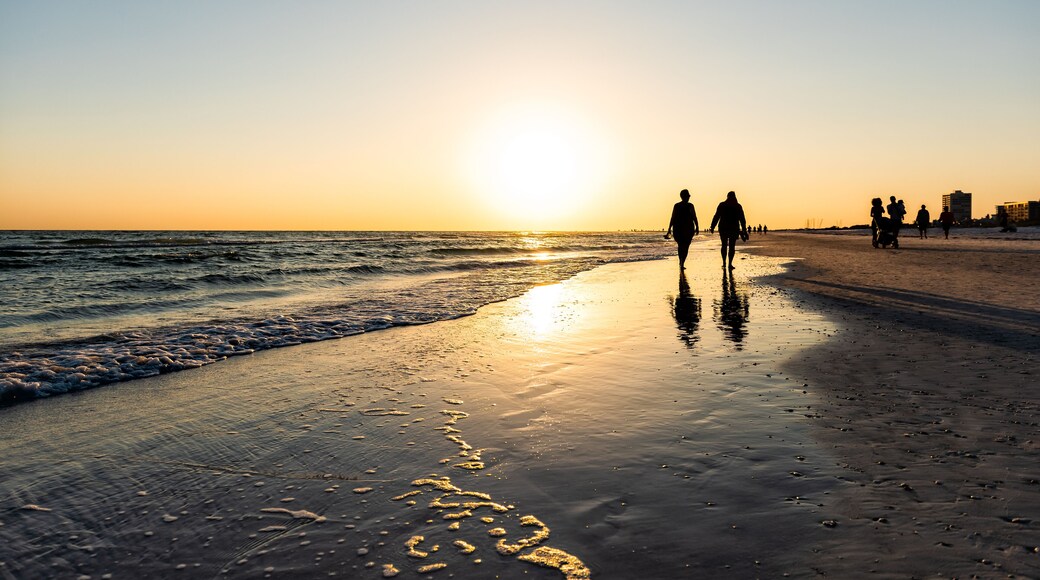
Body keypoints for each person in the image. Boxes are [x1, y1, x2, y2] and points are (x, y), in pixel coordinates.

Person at [708, 191, 748, 269]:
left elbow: (716, 216)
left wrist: (712, 226)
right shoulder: (737, 206)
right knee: (731, 246)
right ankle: (729, 263)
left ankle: (724, 262)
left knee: (724, 245)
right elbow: (742, 219)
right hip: (733, 228)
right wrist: (744, 231)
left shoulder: (722, 205)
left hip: (724, 228)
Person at [664, 189, 699, 270]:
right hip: (685, 229)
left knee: (682, 246)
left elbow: (673, 218)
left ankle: (681, 262)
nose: (689, 197)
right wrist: (697, 226)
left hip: (681, 229)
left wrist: (669, 229)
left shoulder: (680, 206)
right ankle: (681, 262)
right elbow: (694, 217)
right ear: (685, 196)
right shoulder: (688, 206)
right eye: (688, 195)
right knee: (684, 246)